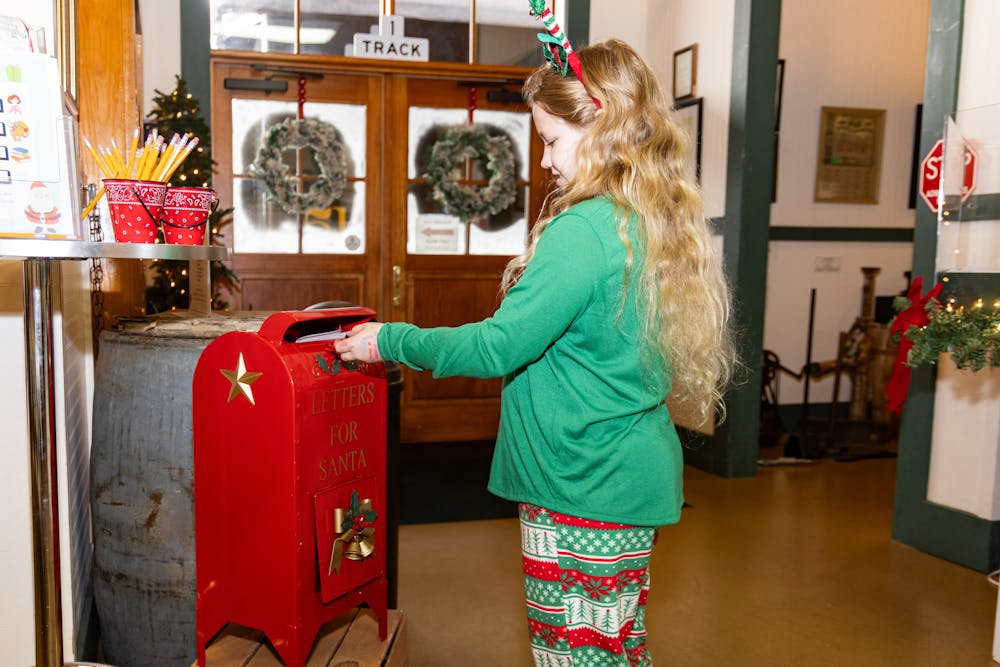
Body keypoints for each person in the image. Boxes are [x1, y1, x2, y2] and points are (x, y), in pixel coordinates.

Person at [335, 36, 736, 667]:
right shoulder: (646, 220)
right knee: (615, 647)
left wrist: (390, 338)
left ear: (600, 125)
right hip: (623, 481)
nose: (545, 159)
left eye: (550, 139)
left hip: (581, 488)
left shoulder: (585, 231)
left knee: (574, 655)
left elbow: (499, 345)